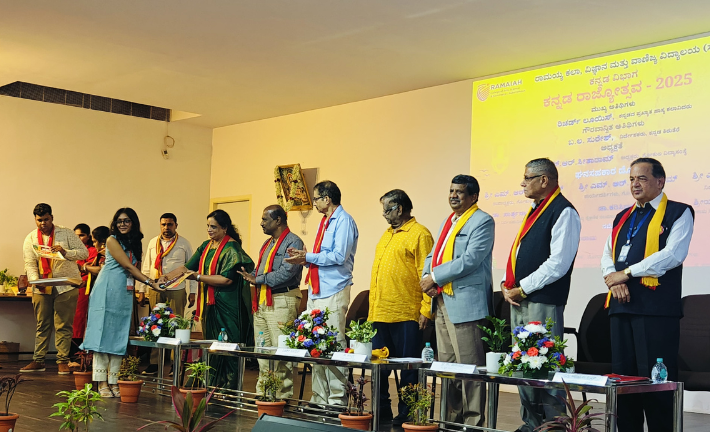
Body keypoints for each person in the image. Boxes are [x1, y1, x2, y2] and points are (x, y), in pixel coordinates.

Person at [601, 158, 693, 432]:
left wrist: (626, 273)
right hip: (621, 306)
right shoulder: (622, 216)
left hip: (655, 311)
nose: (635, 184)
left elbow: (672, 255)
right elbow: (608, 255)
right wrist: (613, 279)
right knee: (623, 383)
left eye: (641, 178)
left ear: (660, 181)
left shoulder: (679, 212)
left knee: (656, 384)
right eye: (631, 179)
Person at [501, 158, 581, 432]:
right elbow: (521, 254)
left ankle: (554, 427)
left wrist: (523, 288)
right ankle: (531, 424)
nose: (522, 183)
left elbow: (558, 263)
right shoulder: (536, 211)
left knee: (545, 367)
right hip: (522, 299)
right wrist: (507, 284)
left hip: (542, 301)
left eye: (527, 178)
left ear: (544, 180)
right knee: (523, 365)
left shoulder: (563, 211)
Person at [420, 175, 494, 427]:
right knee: (448, 367)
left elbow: (470, 259)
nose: (453, 195)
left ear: (473, 196)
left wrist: (434, 277)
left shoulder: (482, 221)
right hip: (442, 300)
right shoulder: (448, 221)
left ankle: (472, 424)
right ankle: (450, 421)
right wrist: (427, 279)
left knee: (469, 368)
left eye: (459, 192)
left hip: (465, 303)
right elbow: (432, 255)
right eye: (451, 190)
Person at [285, 180, 358, 407]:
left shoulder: (344, 221)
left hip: (334, 289)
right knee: (314, 343)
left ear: (327, 199)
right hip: (317, 290)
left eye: (316, 199)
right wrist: (304, 258)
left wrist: (307, 257)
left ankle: (336, 400)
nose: (314, 203)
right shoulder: (325, 221)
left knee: (334, 344)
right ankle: (319, 398)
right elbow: (322, 257)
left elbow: (339, 256)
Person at [368, 189, 433, 425]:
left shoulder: (420, 234)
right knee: (379, 367)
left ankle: (409, 412)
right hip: (380, 313)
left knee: (408, 368)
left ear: (400, 208)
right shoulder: (386, 235)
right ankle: (382, 409)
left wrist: (426, 309)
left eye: (387, 209)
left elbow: (427, 275)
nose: (384, 214)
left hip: (406, 312)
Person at [81, 208, 161, 397]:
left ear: (133, 223)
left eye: (126, 221)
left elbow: (136, 268)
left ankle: (113, 380)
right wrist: (151, 283)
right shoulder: (112, 240)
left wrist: (157, 280)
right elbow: (127, 266)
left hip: (124, 292)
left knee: (119, 336)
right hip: (106, 290)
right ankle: (101, 382)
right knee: (103, 335)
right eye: (119, 221)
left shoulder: (134, 242)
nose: (123, 224)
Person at [174, 209, 254, 389]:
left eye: (214, 227)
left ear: (225, 228)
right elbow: (187, 267)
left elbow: (226, 279)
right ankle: (210, 386)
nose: (209, 230)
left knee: (228, 346)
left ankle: (229, 389)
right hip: (210, 305)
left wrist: (197, 277)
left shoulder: (232, 249)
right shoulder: (206, 246)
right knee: (212, 345)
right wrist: (166, 278)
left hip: (228, 305)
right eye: (208, 226)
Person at [237, 205, 304, 399]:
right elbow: (261, 270)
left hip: (282, 299)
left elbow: (286, 273)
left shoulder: (293, 242)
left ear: (278, 220)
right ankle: (265, 393)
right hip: (263, 300)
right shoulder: (267, 243)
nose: (261, 223)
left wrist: (257, 279)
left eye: (265, 219)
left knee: (281, 351)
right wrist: (250, 275)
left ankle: (282, 395)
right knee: (263, 350)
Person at [21, 203, 88, 374]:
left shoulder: (66, 233)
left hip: (66, 286)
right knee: (42, 325)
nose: (43, 223)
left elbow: (84, 253)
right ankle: (38, 360)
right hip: (42, 287)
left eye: (46, 219)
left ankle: (63, 361)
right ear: (35, 220)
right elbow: (30, 263)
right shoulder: (30, 238)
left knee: (63, 325)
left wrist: (65, 252)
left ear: (52, 217)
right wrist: (35, 281)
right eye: (39, 220)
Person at [139, 213, 197, 375]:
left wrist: (193, 292)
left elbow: (191, 269)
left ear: (176, 225)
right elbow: (146, 267)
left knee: (176, 326)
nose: (166, 228)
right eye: (163, 224)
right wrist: (142, 290)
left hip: (177, 289)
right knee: (155, 325)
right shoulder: (153, 242)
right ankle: (154, 363)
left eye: (170, 224)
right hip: (155, 288)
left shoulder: (184, 243)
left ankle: (174, 363)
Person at [71, 223, 98, 357]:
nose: (78, 238)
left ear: (88, 236)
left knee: (80, 318)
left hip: (83, 287)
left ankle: (78, 351)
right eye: (76, 235)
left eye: (81, 235)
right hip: (68, 286)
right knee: (68, 318)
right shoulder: (70, 250)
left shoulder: (92, 251)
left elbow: (91, 271)